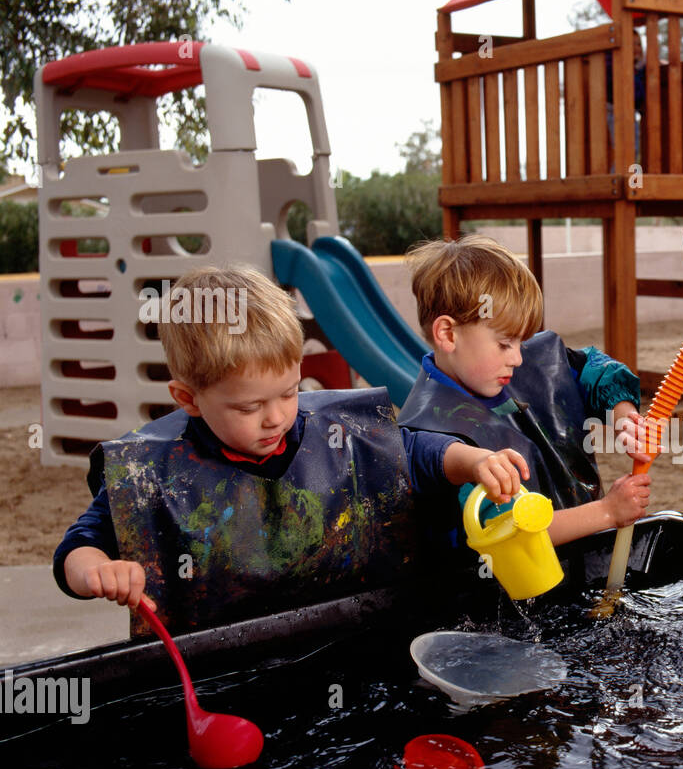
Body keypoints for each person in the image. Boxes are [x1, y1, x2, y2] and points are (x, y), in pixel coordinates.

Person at [54, 266, 525, 634]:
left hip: (355, 638)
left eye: (288, 392)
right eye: (249, 406)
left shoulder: (339, 431)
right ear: (188, 398)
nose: (275, 417)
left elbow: (412, 452)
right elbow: (78, 547)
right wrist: (96, 572)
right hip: (220, 667)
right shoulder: (154, 471)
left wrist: (474, 461)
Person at [397, 234, 653, 545]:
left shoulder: (526, 364)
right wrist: (607, 513)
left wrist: (622, 415)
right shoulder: (430, 430)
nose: (518, 358)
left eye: (521, 341)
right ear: (448, 334)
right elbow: (511, 534)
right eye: (504, 344)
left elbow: (594, 369)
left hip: (581, 564)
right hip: (496, 588)